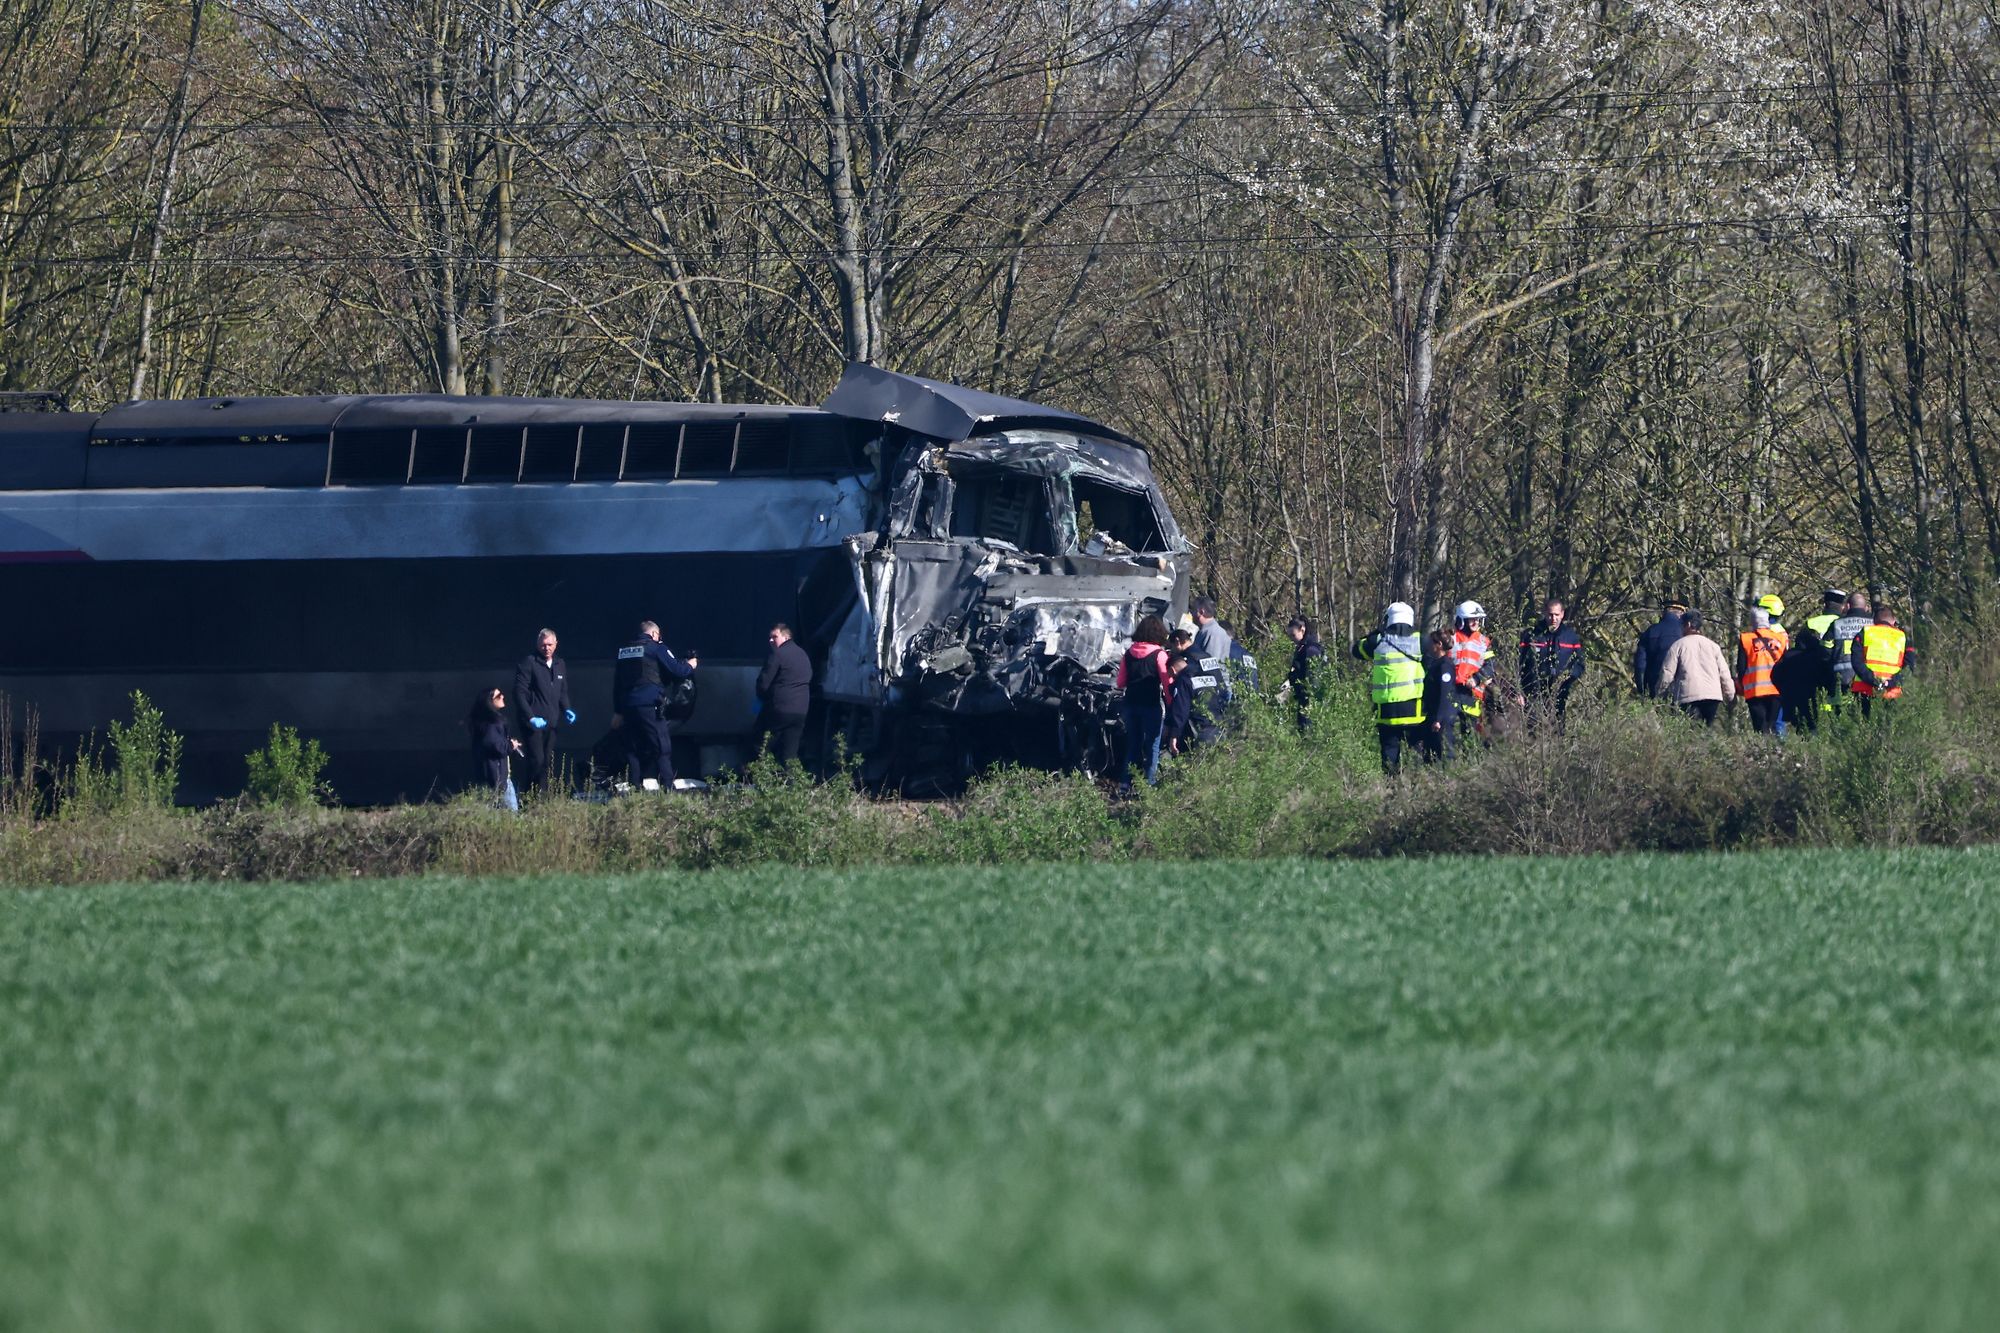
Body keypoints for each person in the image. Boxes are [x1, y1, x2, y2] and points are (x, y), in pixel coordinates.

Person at [613, 619, 697, 789]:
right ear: (653, 634)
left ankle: (635, 788)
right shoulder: (656, 647)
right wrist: (691, 665)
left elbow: (617, 684)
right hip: (649, 705)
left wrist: (618, 712)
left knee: (633, 748)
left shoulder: (624, 651)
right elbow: (677, 670)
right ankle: (667, 787)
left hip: (628, 706)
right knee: (661, 746)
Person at [1353, 601, 1426, 774]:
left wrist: (1376, 632)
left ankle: (1391, 792)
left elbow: (1356, 650)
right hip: (1413, 710)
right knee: (1416, 753)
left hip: (1386, 711)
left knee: (1389, 755)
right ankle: (1417, 792)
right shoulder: (1420, 640)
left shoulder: (1378, 640)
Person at [512, 628, 573, 795]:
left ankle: (542, 797)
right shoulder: (529, 662)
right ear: (538, 645)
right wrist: (530, 717)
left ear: (556, 644)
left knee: (546, 761)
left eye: (549, 645)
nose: (546, 648)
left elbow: (562, 691)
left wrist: (566, 709)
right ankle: (527, 797)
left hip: (551, 722)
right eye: (543, 645)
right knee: (536, 760)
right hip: (533, 722)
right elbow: (519, 692)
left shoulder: (560, 664)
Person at [1116, 613, 1172, 789]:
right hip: (1151, 705)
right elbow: (1167, 681)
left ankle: (1125, 783)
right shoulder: (1159, 654)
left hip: (1131, 704)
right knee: (1153, 745)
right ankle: (1149, 784)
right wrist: (1171, 704)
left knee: (1133, 744)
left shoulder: (1128, 653)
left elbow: (1120, 682)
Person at [1656, 610, 1734, 724]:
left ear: (1688, 624)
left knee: (1690, 732)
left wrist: (1660, 695)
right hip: (1712, 697)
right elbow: (1724, 673)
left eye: (1682, 625)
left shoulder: (1678, 646)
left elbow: (1667, 674)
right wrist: (1730, 694)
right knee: (1706, 732)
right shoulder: (1713, 646)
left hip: (1688, 696)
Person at [1518, 598, 1585, 732]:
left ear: (1562, 614)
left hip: (1559, 692)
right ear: (1544, 613)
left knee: (1557, 732)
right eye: (1550, 614)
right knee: (1533, 732)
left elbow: (1580, 664)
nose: (1553, 618)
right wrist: (1518, 691)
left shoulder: (1571, 637)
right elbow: (1519, 664)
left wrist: (1568, 677)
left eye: (1556, 615)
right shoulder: (1531, 635)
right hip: (1533, 692)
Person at [755, 622, 813, 766]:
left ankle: (760, 779)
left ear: (786, 637)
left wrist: (762, 698)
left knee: (760, 743)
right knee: (790, 753)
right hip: (801, 711)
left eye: (774, 637)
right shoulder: (803, 655)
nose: (771, 640)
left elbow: (763, 683)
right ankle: (792, 785)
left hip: (779, 709)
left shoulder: (778, 654)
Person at [1449, 600, 1498, 746]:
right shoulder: (1450, 638)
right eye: (1472, 619)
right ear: (1461, 620)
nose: (1476, 622)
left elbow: (1490, 666)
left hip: (1473, 693)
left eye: (1477, 619)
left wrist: (1477, 679)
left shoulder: (1484, 642)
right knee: (1451, 734)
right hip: (1451, 691)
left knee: (1470, 733)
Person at [466, 686, 523, 811]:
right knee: (511, 813)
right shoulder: (492, 724)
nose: (502, 697)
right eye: (498, 696)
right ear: (489, 702)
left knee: (493, 812)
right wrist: (510, 745)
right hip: (497, 777)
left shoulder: (484, 723)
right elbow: (495, 746)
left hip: (495, 776)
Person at [1850, 606, 1911, 719]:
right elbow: (1910, 667)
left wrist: (1873, 680)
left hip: (1864, 690)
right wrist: (1891, 682)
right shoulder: (1903, 637)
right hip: (1892, 693)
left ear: (1874, 621)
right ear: (1893, 621)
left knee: (1862, 728)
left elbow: (1856, 661)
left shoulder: (1865, 632)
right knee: (1887, 730)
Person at [1735, 607, 1788, 734]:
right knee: (1772, 726)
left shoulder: (1746, 639)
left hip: (1755, 691)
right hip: (1776, 690)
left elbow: (1741, 667)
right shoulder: (1780, 639)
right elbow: (1786, 665)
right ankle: (1775, 752)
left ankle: (1762, 752)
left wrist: (1742, 685)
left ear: (1753, 621)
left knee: (1760, 728)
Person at [1771, 627, 1834, 733]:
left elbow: (1775, 676)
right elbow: (1827, 676)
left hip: (1792, 700)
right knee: (1814, 729)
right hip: (1813, 699)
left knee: (1800, 729)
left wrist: (1784, 690)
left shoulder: (1788, 656)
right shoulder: (1818, 657)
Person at [1188, 596, 1236, 721]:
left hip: (1214, 693)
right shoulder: (1205, 631)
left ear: (1201, 611)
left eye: (1193, 610)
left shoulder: (1213, 633)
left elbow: (1210, 667)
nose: (1191, 613)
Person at [1633, 595, 1690, 697]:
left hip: (1656, 686)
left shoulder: (1651, 632)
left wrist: (1642, 690)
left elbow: (1640, 665)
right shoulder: (1687, 634)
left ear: (1664, 612)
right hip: (1684, 688)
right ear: (1682, 613)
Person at [1826, 592, 1874, 704]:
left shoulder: (1837, 623)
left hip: (1841, 677)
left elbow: (1825, 650)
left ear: (1847, 606)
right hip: (1866, 678)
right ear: (1866, 607)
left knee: (1840, 713)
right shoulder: (1873, 624)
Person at [1420, 628, 1460, 763]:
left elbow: (1445, 693)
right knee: (1429, 755)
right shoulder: (1435, 664)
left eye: (1432, 643)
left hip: (1442, 718)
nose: (1429, 646)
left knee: (1443, 754)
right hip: (1432, 715)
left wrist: (1438, 719)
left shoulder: (1445, 666)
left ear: (1439, 645)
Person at [1286, 615, 1329, 733]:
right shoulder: (1302, 649)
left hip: (1309, 701)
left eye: (1293, 635)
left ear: (1302, 630)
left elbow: (1313, 678)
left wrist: (1309, 698)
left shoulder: (1311, 650)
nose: (1291, 639)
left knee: (1307, 733)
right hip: (1303, 699)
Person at [1164, 651, 1194, 756]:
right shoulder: (1199, 672)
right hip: (1215, 725)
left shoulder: (1182, 680)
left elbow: (1180, 709)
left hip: (1192, 729)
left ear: (1172, 670)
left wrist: (1174, 736)